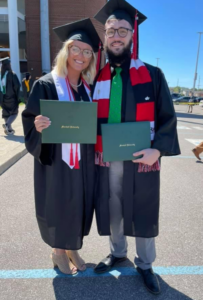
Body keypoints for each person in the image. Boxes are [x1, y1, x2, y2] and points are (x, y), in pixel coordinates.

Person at [92, 0, 180, 295]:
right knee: (113, 205)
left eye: (122, 30)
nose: (116, 36)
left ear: (132, 35)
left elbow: (168, 117)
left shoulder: (153, 75)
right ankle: (118, 252)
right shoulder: (98, 77)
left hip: (144, 157)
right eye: (111, 30)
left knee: (143, 208)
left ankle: (145, 264)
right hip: (108, 157)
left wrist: (159, 150)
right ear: (105, 36)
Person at [22, 18, 100, 275]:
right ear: (66, 51)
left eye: (87, 51)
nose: (81, 55)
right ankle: (58, 252)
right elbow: (30, 122)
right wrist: (38, 125)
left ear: (91, 57)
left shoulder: (88, 89)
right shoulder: (45, 84)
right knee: (59, 202)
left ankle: (72, 246)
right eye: (76, 49)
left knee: (79, 201)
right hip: (56, 161)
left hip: (83, 161)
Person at [0, 57, 21, 135]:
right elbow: (17, 86)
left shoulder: (0, 75)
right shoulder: (12, 74)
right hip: (11, 97)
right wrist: (17, 95)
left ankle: (9, 129)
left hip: (2, 98)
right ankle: (7, 125)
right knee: (14, 112)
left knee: (6, 112)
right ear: (8, 65)